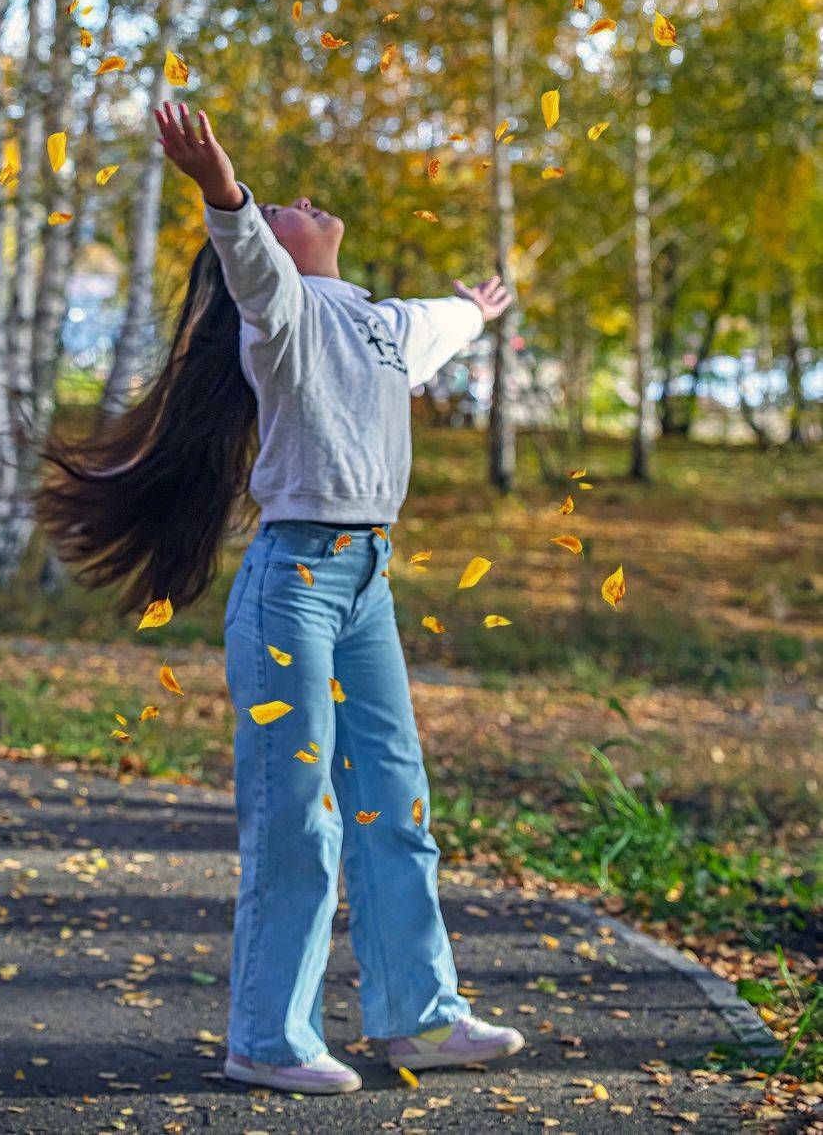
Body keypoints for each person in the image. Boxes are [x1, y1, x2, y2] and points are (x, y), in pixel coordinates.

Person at [36, 102, 523, 1096]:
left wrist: (476, 308)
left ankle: (420, 1017)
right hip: (291, 587)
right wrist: (222, 189)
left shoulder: (386, 324)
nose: (302, 201)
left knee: (395, 804)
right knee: (300, 815)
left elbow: (445, 323)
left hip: (367, 586)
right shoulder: (283, 317)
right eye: (279, 210)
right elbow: (248, 256)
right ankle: (268, 1037)